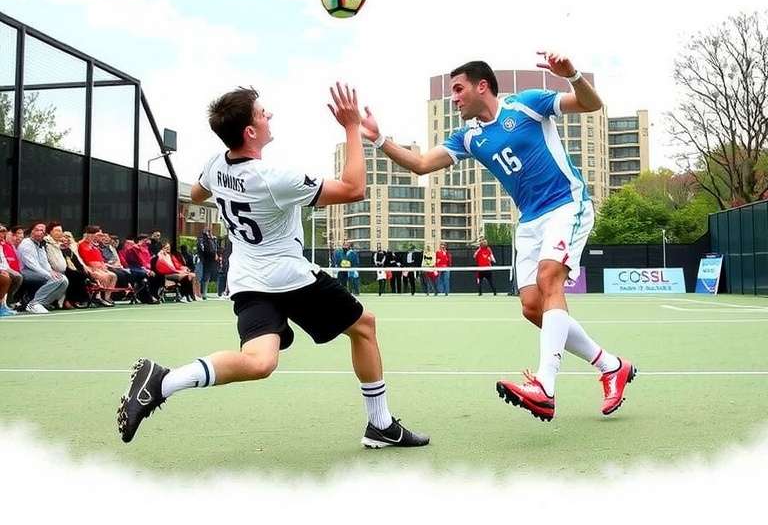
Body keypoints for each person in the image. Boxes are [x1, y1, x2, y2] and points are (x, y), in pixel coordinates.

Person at [117, 83, 428, 448]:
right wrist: (350, 127)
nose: (269, 116)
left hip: (248, 279)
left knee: (260, 362)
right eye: (263, 113)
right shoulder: (274, 178)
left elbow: (199, 192)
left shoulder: (216, 165)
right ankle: (381, 425)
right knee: (364, 326)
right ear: (250, 132)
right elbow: (353, 188)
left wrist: (222, 188)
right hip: (289, 277)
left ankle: (162, 381)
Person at [358, 52, 636, 421]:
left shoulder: (527, 104)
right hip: (530, 221)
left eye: (458, 90)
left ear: (481, 86)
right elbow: (421, 164)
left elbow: (590, 104)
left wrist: (572, 75)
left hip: (567, 204)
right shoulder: (469, 137)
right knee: (533, 307)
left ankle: (545, 385)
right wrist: (379, 140)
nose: (453, 98)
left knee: (549, 277)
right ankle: (611, 365)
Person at [17, 221, 69, 313]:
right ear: (32, 231)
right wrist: (48, 274)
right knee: (56, 279)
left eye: (42, 231)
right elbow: (32, 264)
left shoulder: (40, 245)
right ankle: (34, 304)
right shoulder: (26, 243)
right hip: (25, 271)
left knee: (63, 280)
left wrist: (51, 271)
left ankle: (42, 303)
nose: (40, 232)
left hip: (37, 272)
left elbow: (44, 262)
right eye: (37, 230)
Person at [196, 228, 218, 300]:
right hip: (204, 260)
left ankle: (203, 293)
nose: (209, 234)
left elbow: (214, 249)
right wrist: (202, 258)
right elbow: (201, 250)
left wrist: (215, 254)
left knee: (207, 276)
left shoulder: (212, 240)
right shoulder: (201, 240)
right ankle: (200, 293)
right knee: (201, 277)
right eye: (208, 233)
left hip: (210, 261)